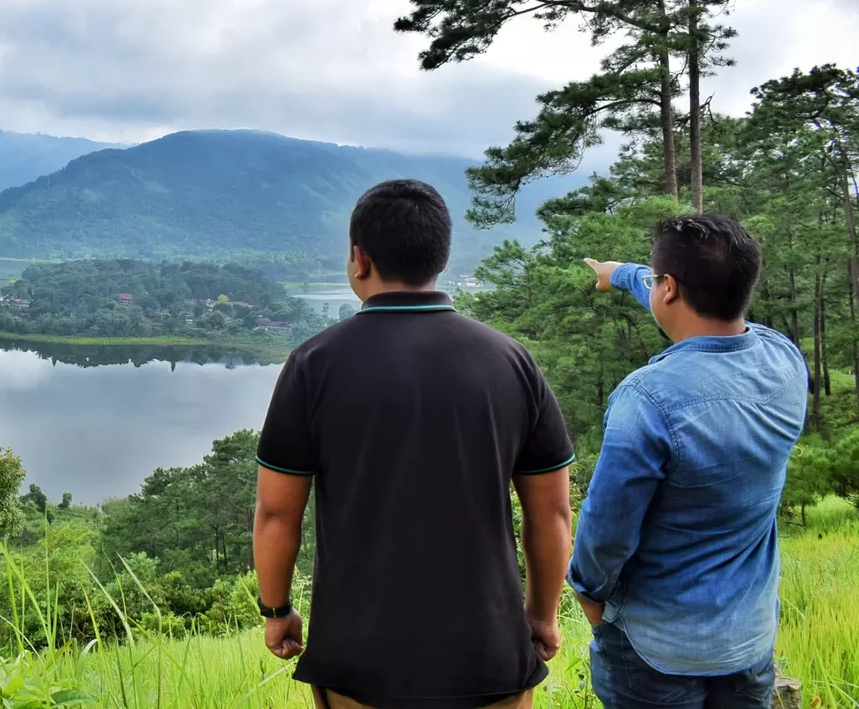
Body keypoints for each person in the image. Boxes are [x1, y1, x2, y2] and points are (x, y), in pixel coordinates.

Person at [253, 179, 575, 709]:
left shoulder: (314, 364)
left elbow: (275, 516)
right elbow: (552, 514)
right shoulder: (510, 361)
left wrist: (277, 610)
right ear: (440, 260)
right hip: (490, 655)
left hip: (359, 660)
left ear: (359, 259)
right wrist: (540, 615)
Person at [574, 214, 808, 709]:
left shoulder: (648, 399)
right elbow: (689, 305)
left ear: (671, 289)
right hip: (748, 637)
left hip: (654, 648)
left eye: (658, 280)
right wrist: (620, 273)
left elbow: (606, 528)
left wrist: (589, 597)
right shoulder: (783, 360)